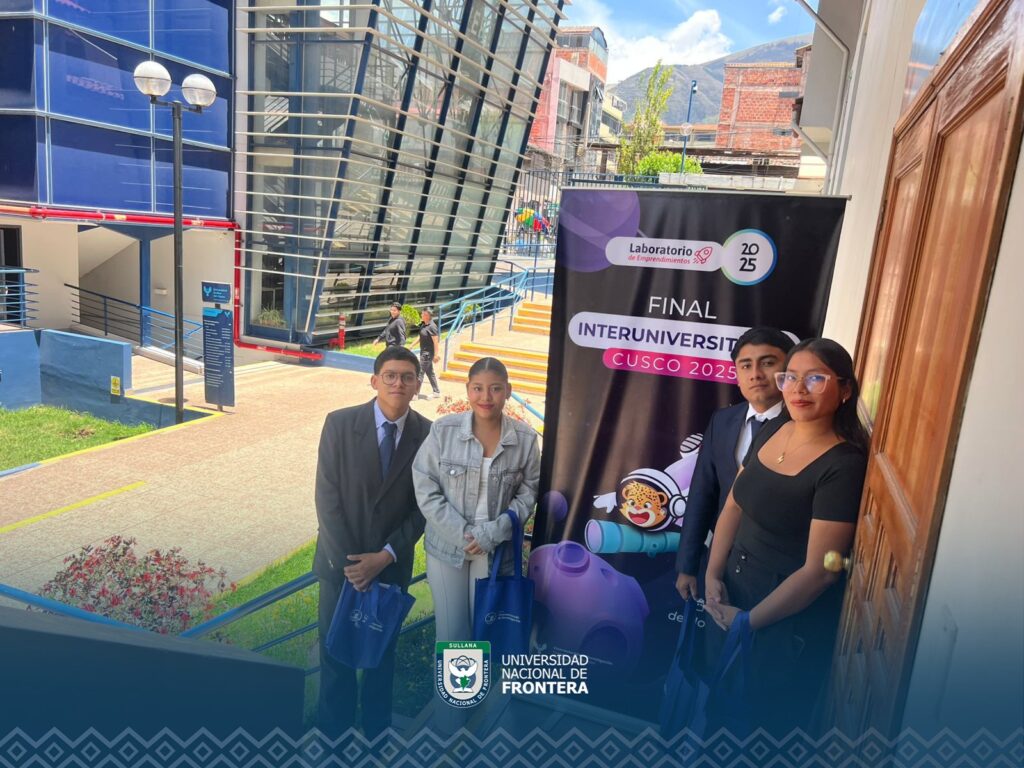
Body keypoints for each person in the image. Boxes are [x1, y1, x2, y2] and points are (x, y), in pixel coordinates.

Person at [702, 338, 869, 733]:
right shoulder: (776, 427)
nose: (798, 389)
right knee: (716, 718)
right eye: (790, 377)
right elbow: (733, 505)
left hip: (780, 621)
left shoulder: (843, 465)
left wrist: (748, 622)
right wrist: (712, 574)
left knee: (760, 733)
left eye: (815, 379)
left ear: (845, 390)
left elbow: (820, 572)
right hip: (731, 596)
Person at [313, 346, 431, 737]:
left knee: (382, 658)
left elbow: (424, 506)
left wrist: (385, 556)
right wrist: (353, 566)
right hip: (340, 567)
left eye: (408, 377)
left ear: (417, 385)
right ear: (374, 380)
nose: (399, 383)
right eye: (391, 375)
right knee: (336, 656)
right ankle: (333, 737)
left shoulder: (429, 435)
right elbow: (326, 496)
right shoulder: (340, 424)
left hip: (390, 568)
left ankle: (377, 736)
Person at [412, 357, 540, 646]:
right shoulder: (443, 431)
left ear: (508, 391)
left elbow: (529, 492)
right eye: (478, 388)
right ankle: (453, 679)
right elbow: (425, 485)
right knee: (452, 633)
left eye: (495, 388)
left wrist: (492, 533)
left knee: (482, 631)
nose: (486, 397)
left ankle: (477, 679)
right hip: (447, 546)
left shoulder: (525, 439)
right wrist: (463, 534)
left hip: (493, 548)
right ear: (468, 389)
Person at [675, 327, 795, 602]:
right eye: (746, 365)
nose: (756, 374)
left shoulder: (803, 426)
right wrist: (687, 565)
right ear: (737, 375)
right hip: (720, 564)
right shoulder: (723, 420)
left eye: (767, 363)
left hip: (776, 575)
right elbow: (702, 494)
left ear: (789, 370)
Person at [416, 307, 442, 400]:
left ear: (428, 316)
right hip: (423, 352)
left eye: (423, 314)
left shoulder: (432, 327)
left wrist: (436, 355)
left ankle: (415, 394)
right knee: (430, 372)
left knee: (420, 372)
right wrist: (411, 345)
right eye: (422, 313)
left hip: (427, 354)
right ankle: (436, 392)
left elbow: (436, 342)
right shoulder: (424, 325)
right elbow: (420, 337)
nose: (421, 315)